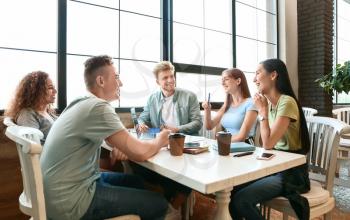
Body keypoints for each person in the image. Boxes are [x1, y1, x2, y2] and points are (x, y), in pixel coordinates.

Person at [40, 55, 170, 220]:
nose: (120, 83)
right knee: (159, 204)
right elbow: (140, 153)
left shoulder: (80, 102)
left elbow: (112, 139)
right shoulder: (98, 107)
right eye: (116, 77)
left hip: (57, 194)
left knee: (136, 182)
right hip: (72, 202)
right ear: (101, 81)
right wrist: (161, 139)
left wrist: (122, 145)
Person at [229, 59, 310, 220]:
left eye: (258, 73)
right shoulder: (272, 104)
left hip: (291, 173)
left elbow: (267, 143)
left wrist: (262, 111)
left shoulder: (286, 102)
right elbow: (265, 144)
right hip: (275, 166)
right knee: (232, 189)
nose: (253, 79)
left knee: (241, 201)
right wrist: (264, 109)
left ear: (273, 75)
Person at [137, 61, 202, 135]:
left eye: (172, 76)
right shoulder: (152, 99)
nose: (170, 80)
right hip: (162, 141)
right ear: (158, 82)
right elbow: (142, 118)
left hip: (186, 141)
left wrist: (177, 129)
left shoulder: (190, 96)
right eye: (165, 78)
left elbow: (198, 123)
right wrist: (141, 124)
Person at [202, 68, 258, 143]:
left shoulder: (251, 103)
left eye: (226, 79)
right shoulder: (227, 105)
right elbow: (209, 126)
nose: (222, 83)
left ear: (238, 81)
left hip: (244, 145)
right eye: (222, 80)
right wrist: (207, 110)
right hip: (227, 144)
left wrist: (219, 142)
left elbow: (241, 137)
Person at [5, 71, 57, 144]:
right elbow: (34, 145)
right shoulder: (27, 115)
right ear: (36, 91)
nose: (55, 91)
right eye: (50, 88)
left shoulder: (48, 113)